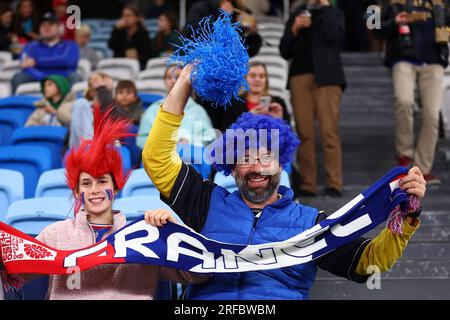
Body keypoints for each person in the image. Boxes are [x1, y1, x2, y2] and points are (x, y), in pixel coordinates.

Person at [142, 63, 426, 300]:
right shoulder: (206, 202)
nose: (257, 167)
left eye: (267, 156)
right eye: (246, 158)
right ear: (231, 167)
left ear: (281, 163)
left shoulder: (312, 224)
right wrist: (183, 84)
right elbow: (157, 158)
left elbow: (369, 263)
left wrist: (407, 216)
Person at [0, 107, 208, 300]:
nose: (95, 190)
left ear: (116, 188)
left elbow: (198, 273)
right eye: (86, 183)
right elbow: (13, 270)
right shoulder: (55, 234)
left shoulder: (145, 236)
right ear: (76, 191)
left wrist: (176, 229)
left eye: (102, 181)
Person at [372, 0, 449, 186]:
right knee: (404, 101)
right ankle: (404, 156)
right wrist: (393, 23)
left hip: (434, 60)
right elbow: (372, 25)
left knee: (432, 115)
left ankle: (422, 170)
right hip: (402, 57)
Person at [279, 0, 346, 197]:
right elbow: (284, 50)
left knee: (329, 132)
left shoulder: (334, 12)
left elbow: (336, 36)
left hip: (328, 77)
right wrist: (294, 28)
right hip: (300, 76)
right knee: (304, 132)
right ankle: (308, 184)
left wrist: (325, 8)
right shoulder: (298, 13)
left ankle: (334, 182)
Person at [137, 64, 215, 149]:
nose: (173, 81)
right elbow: (141, 140)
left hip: (191, 159)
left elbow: (210, 138)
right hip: (160, 159)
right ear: (164, 81)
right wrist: (162, 145)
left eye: (178, 77)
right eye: (169, 77)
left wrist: (190, 141)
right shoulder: (153, 109)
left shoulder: (198, 111)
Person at [11, 12, 81, 93]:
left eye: (50, 24)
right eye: (43, 25)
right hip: (37, 77)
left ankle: (73, 105)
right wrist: (44, 77)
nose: (46, 27)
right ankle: (16, 105)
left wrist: (37, 62)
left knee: (74, 77)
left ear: (59, 27)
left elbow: (67, 61)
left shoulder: (70, 45)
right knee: (18, 77)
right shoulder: (31, 45)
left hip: (63, 77)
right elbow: (25, 64)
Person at [215, 61, 291, 132]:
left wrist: (280, 120)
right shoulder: (233, 104)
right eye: (252, 76)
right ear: (245, 79)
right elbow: (226, 134)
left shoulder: (278, 103)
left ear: (266, 80)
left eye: (262, 76)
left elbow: (289, 138)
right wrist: (248, 118)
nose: (257, 79)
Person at [184, 0, 262, 58]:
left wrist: (252, 34)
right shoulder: (200, 8)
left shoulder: (240, 10)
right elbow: (191, 33)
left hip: (233, 67)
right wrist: (223, 15)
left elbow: (248, 51)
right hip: (204, 63)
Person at [108, 4, 152, 70]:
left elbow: (147, 53)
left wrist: (138, 57)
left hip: (138, 64)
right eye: (123, 16)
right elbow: (111, 46)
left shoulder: (143, 32)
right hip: (120, 63)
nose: (125, 18)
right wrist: (116, 30)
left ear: (136, 18)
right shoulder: (119, 31)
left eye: (128, 15)